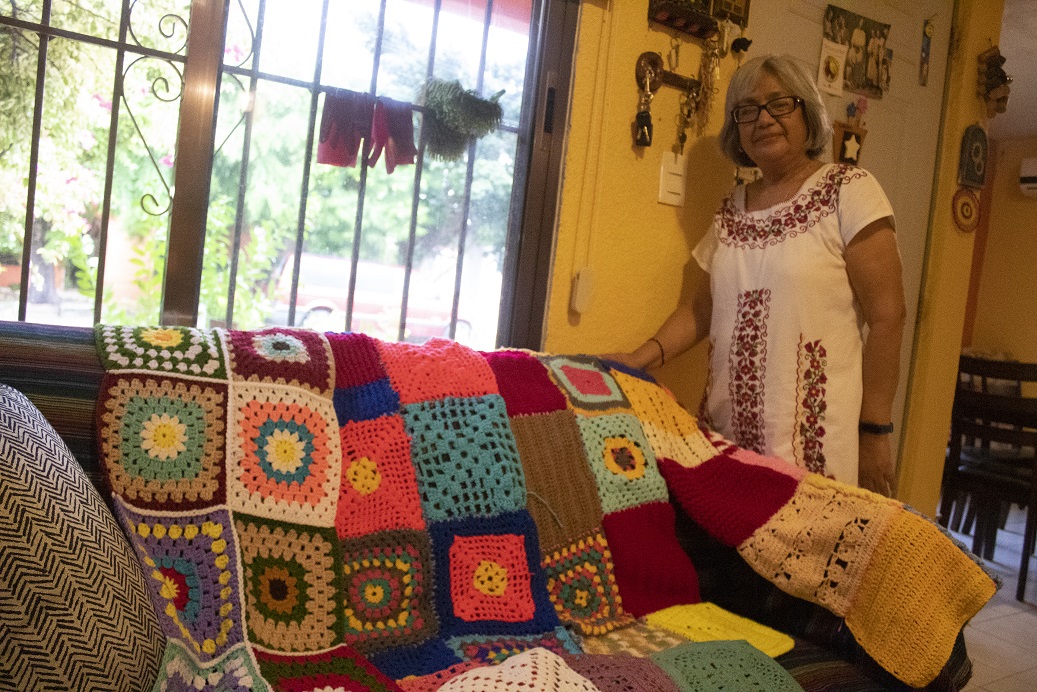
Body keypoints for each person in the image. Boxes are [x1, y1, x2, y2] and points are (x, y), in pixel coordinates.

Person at [608, 55, 905, 495]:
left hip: (814, 451)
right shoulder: (731, 209)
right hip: (727, 440)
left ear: (807, 111)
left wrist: (875, 431)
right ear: (737, 130)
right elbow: (702, 307)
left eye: (779, 104)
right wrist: (639, 359)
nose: (763, 119)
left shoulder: (849, 190)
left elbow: (889, 316)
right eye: (747, 110)